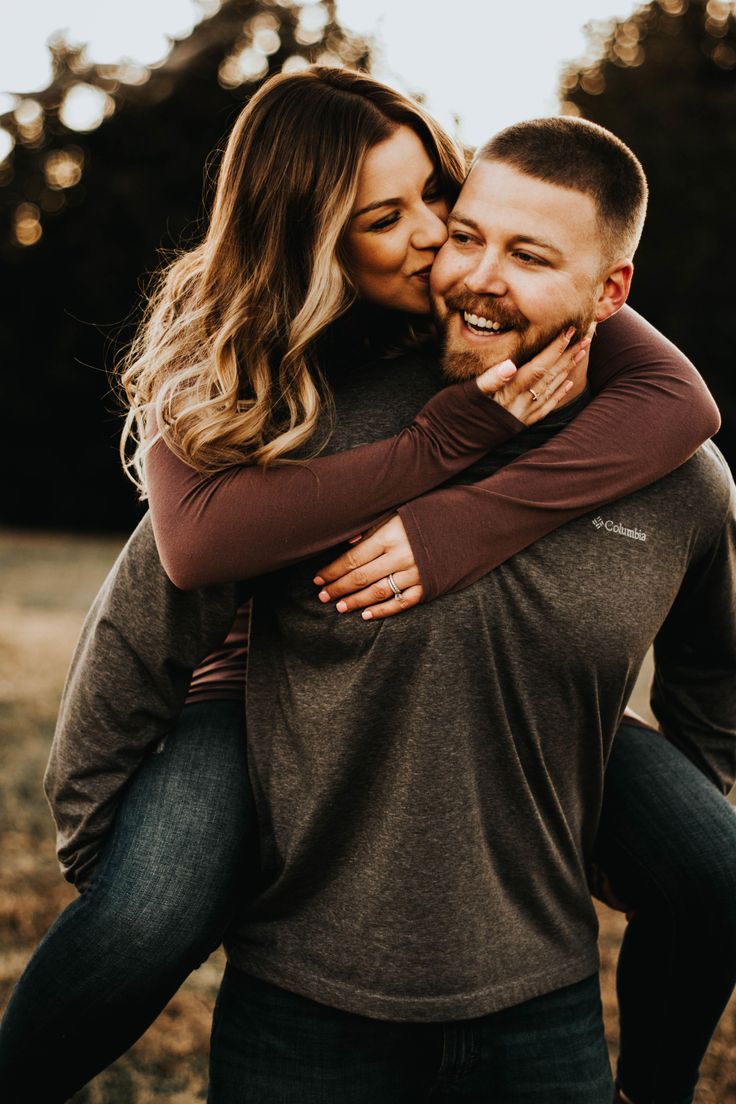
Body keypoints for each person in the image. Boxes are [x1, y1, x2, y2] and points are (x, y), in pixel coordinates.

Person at [0, 68, 731, 1102]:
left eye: (443, 193)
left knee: (718, 873)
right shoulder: (260, 376)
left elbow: (680, 400)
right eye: (393, 219)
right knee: (140, 912)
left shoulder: (590, 375)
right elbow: (189, 560)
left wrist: (459, 524)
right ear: (314, 243)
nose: (443, 243)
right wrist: (445, 440)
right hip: (253, 702)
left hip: (530, 744)